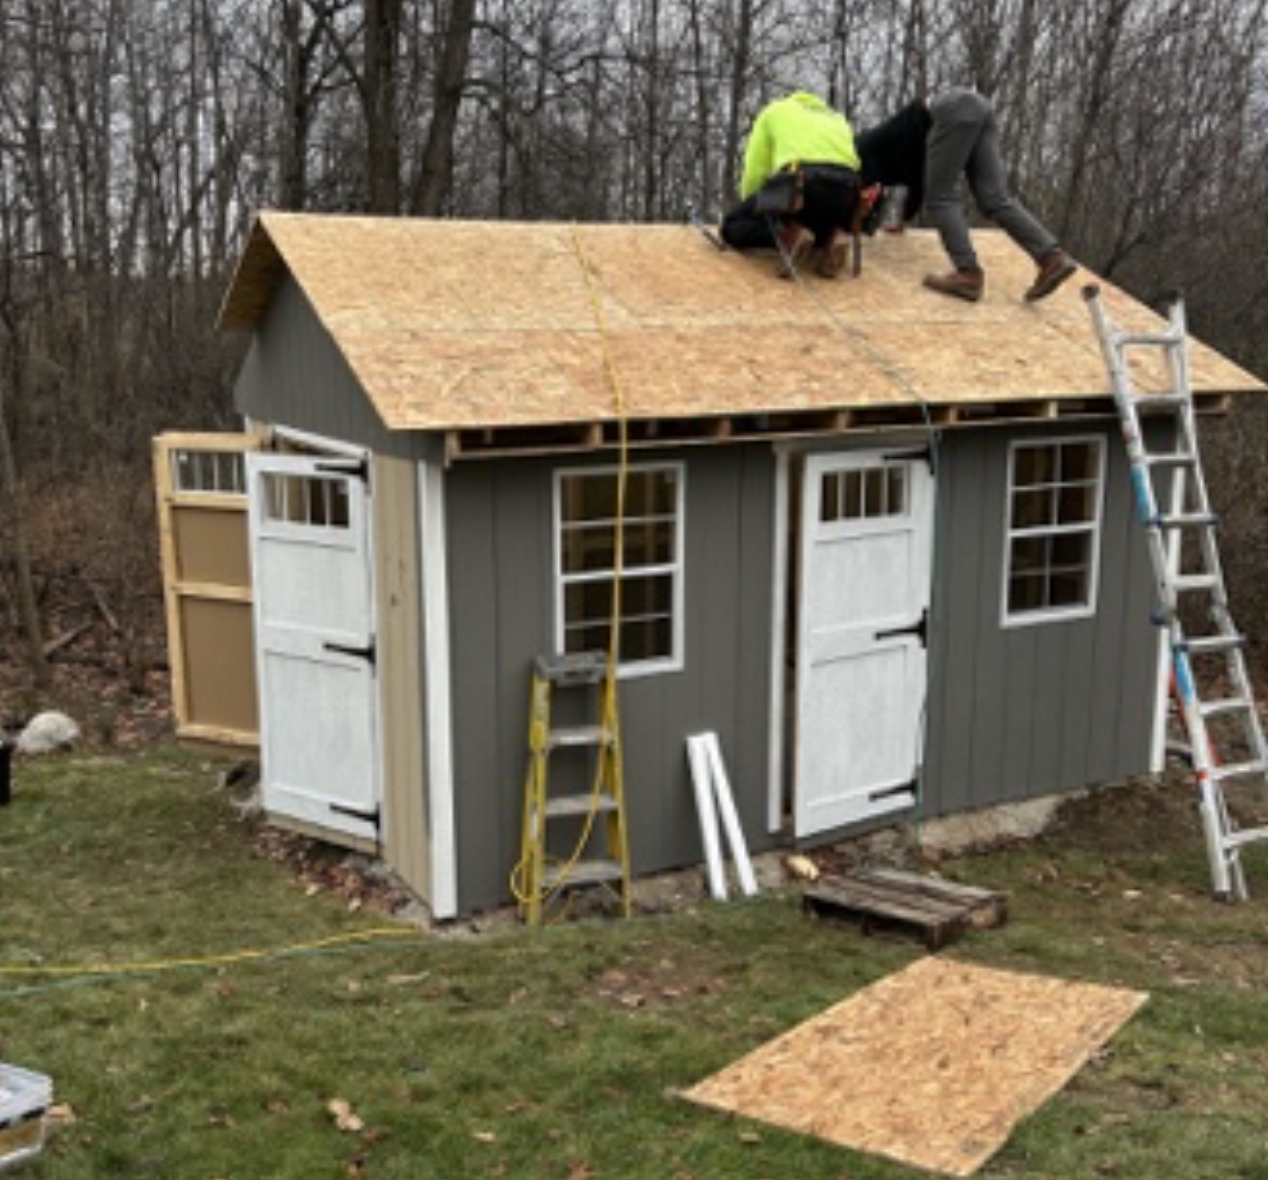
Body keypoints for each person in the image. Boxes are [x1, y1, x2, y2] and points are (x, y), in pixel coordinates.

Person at [857, 88, 1077, 303]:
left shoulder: (864, 148)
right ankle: (1051, 258)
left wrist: (865, 219)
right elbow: (917, 178)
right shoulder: (895, 149)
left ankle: (968, 274)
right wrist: (904, 219)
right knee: (995, 198)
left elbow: (897, 185)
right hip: (980, 107)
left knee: (940, 198)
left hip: (952, 109)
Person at [720, 92, 863, 279]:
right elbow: (854, 163)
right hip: (848, 190)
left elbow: (756, 167)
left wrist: (753, 205)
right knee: (819, 211)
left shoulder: (774, 112)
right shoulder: (837, 119)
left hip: (803, 183)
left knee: (732, 226)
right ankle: (827, 239)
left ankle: (786, 236)